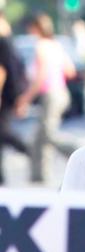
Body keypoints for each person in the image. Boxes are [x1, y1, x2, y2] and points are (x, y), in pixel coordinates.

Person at [15, 13, 77, 183]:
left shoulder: (41, 46)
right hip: (61, 93)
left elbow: (40, 77)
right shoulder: (55, 45)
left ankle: (78, 152)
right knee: (40, 137)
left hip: (50, 94)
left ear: (36, 28)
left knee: (48, 134)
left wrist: (26, 98)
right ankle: (39, 176)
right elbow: (70, 70)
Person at [0, 13, 29, 185]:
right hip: (11, 94)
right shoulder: (10, 43)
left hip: (6, 95)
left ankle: (27, 149)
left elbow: (2, 71)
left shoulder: (3, 43)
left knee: (3, 132)